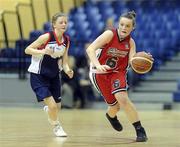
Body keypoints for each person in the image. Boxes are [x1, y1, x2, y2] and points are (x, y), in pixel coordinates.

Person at [86, 11, 153, 142]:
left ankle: (140, 130)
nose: (123, 28)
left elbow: (132, 61)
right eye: (122, 24)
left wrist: (143, 59)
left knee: (122, 99)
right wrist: (98, 65)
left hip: (118, 72)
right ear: (118, 24)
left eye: (127, 26)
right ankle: (110, 116)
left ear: (133, 28)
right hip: (99, 73)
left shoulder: (131, 43)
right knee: (115, 107)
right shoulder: (109, 34)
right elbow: (90, 49)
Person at [25, 12, 73, 137]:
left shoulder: (66, 40)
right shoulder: (46, 37)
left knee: (57, 107)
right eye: (61, 22)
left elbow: (65, 60)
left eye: (65, 22)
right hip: (39, 75)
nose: (64, 24)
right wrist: (43, 51)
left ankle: (50, 110)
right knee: (52, 106)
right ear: (54, 25)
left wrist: (68, 70)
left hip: (54, 76)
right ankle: (57, 127)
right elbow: (27, 49)